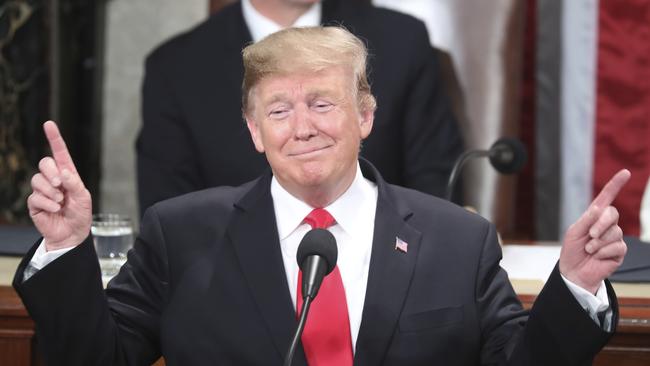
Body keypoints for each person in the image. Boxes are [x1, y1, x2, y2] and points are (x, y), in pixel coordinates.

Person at [18, 27, 629, 365]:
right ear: (255, 131)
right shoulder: (181, 233)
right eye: (279, 109)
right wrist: (66, 246)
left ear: (365, 116)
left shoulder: (457, 240)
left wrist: (574, 283)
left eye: (322, 103)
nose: (302, 126)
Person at [137, 0, 463, 216]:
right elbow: (169, 214)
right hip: (232, 289)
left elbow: (436, 187)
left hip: (383, 279)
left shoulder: (401, 41)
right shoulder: (176, 67)